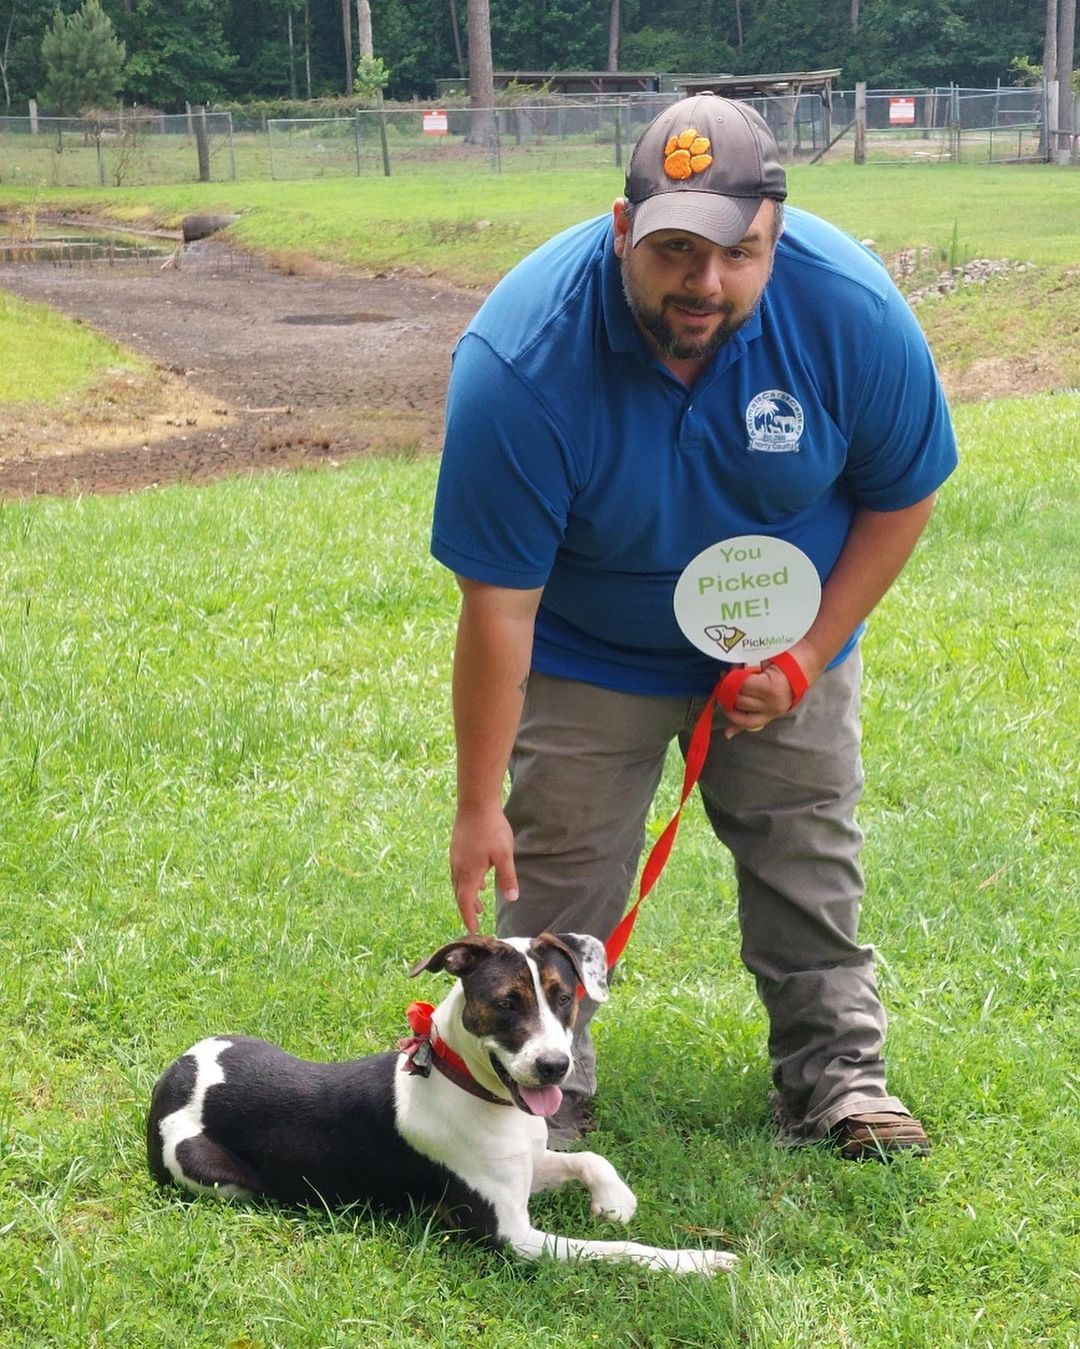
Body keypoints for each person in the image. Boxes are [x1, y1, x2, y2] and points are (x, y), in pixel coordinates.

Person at [430, 94, 957, 1158]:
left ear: (779, 237)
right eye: (674, 249)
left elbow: (904, 494)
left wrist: (807, 660)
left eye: (740, 253)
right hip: (590, 650)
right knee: (560, 872)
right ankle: (544, 1101)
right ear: (623, 231)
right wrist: (479, 800)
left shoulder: (851, 312)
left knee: (806, 850)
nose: (705, 282)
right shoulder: (521, 358)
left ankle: (839, 1081)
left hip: (780, 641)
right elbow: (500, 603)